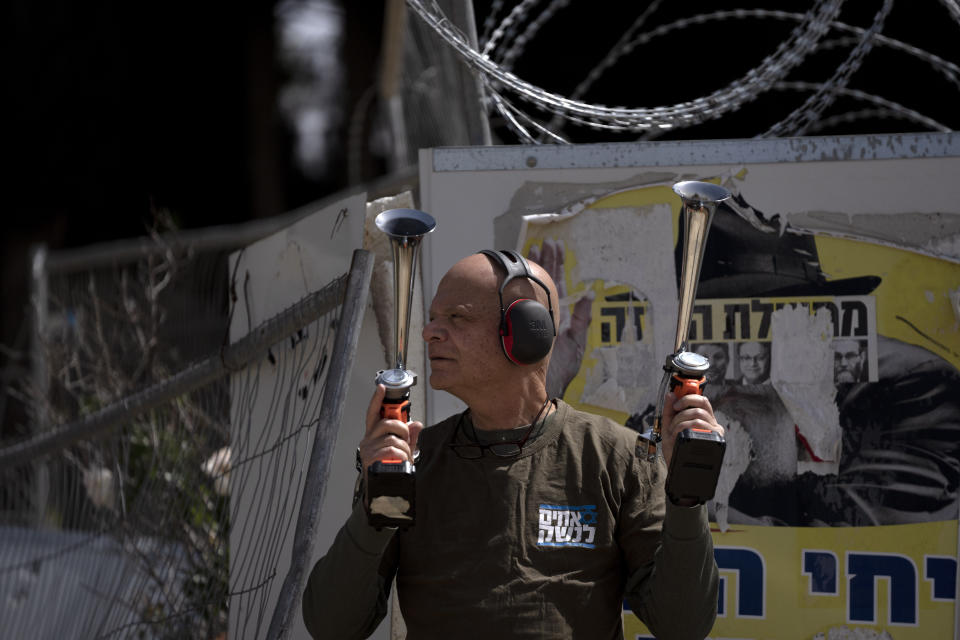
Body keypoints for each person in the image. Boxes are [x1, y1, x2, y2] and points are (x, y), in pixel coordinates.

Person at [302, 249, 723, 639]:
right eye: (432, 318)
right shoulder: (413, 461)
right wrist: (380, 499)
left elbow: (683, 625)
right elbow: (333, 625)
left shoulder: (616, 457)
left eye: (456, 317)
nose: (430, 332)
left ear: (526, 332)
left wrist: (687, 495)